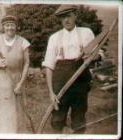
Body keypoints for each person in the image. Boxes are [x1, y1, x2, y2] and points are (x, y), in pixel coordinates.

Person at [42, 5, 96, 133]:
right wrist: (51, 92)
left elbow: (98, 54)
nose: (66, 20)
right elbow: (49, 66)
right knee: (57, 120)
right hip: (60, 84)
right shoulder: (54, 38)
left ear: (75, 15)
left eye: (69, 16)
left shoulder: (86, 32)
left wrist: (93, 56)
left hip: (81, 83)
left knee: (79, 119)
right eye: (62, 17)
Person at [0, 15, 30, 133]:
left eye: (12, 25)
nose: (10, 28)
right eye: (7, 25)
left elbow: (26, 64)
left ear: (16, 27)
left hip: (15, 81)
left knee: (14, 112)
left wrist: (20, 83)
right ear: (3, 27)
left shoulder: (23, 42)